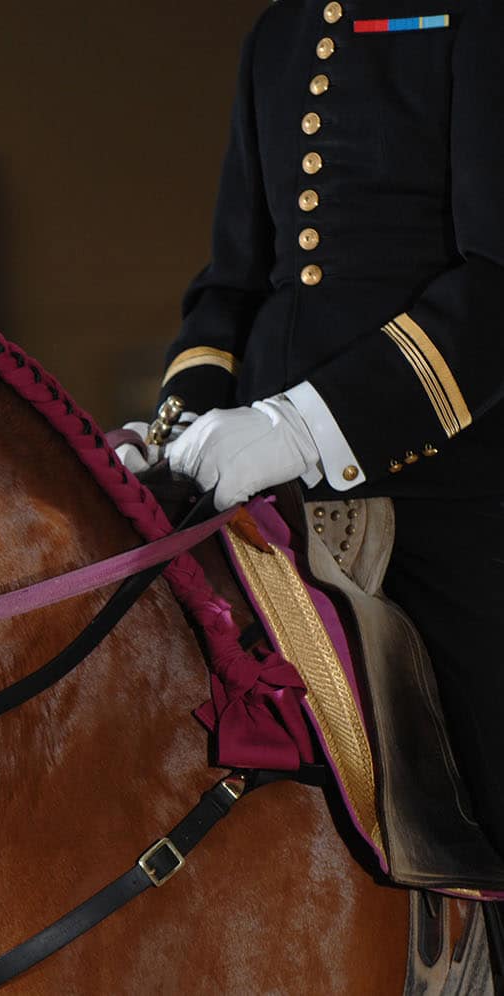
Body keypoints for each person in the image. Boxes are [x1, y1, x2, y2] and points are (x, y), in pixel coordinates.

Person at [116, 0, 504, 857]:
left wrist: (304, 427)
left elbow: (495, 285)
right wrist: (175, 433)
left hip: (443, 481)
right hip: (261, 483)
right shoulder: (282, 33)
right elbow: (232, 284)